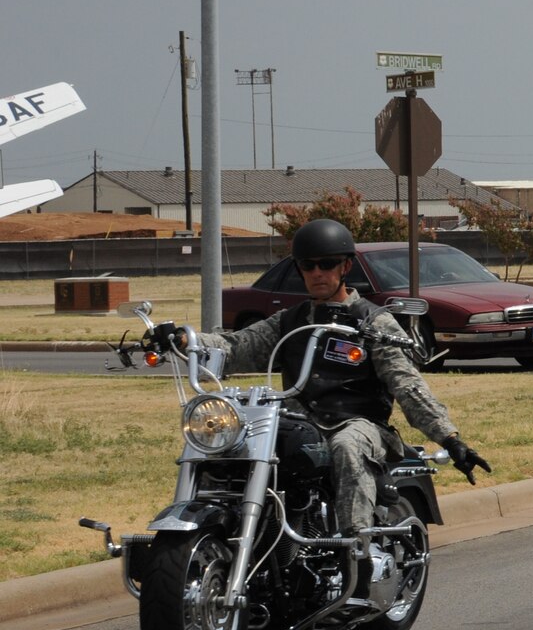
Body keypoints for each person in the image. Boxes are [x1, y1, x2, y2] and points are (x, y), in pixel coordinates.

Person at [149, 219, 490, 544]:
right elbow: (236, 347)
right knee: (232, 444)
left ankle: (357, 543)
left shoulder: (373, 322)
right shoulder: (288, 322)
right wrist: (185, 340)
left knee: (347, 445)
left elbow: (407, 384)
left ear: (346, 267)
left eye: (327, 264)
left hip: (360, 423)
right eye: (308, 265)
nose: (317, 273)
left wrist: (449, 438)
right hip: (297, 424)